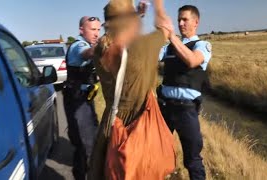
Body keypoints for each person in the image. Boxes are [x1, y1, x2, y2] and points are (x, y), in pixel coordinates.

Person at [87, 0, 174, 179]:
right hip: (140, 127)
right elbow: (166, 28)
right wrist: (158, 5)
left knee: (109, 171)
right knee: (139, 170)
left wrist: (135, 15)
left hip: (111, 125)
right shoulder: (142, 47)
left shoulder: (99, 51)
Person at [158, 5, 212, 180]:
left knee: (192, 159)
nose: (180, 23)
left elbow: (192, 60)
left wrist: (171, 36)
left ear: (196, 22)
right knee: (157, 152)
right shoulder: (167, 48)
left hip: (186, 112)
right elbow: (147, 56)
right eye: (179, 19)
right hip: (164, 108)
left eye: (185, 19)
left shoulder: (202, 45)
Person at [62, 16, 101, 180]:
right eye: (93, 29)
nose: (97, 33)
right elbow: (87, 54)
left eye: (99, 30)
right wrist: (104, 44)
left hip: (85, 99)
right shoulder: (79, 45)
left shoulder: (89, 44)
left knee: (91, 140)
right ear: (81, 30)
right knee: (85, 146)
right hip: (77, 101)